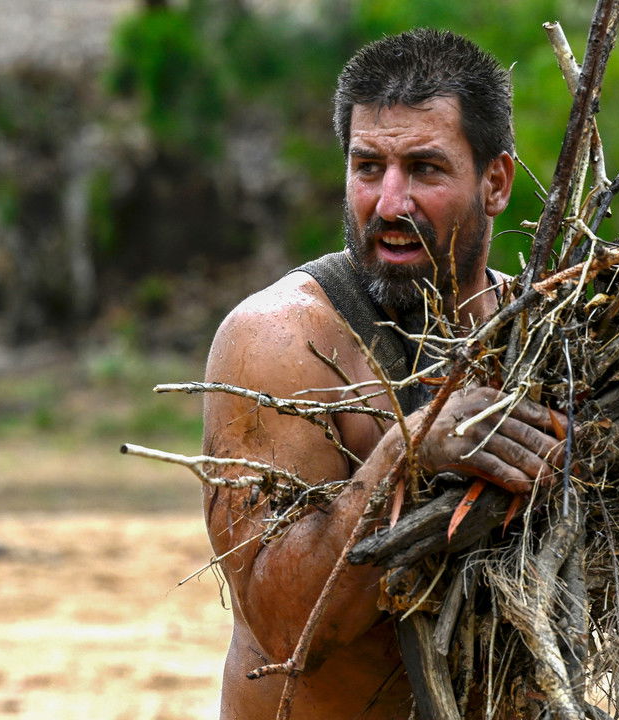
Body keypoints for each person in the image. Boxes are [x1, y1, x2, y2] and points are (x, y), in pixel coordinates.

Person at [201, 29, 564, 720]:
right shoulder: (282, 341)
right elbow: (285, 629)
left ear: (495, 183)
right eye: (369, 167)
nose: (390, 203)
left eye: (424, 169)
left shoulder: (547, 335)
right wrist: (404, 453)